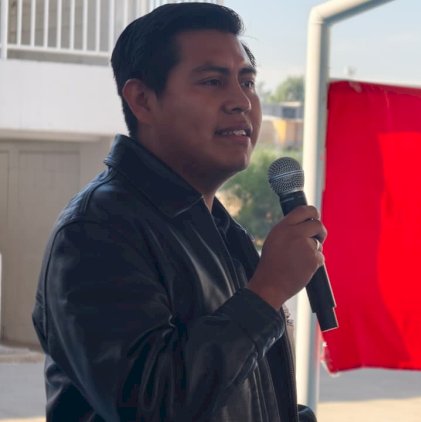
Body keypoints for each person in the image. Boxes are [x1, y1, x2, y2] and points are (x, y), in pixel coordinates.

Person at [31, 3, 323, 421]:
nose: (241, 101)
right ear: (143, 100)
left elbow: (238, 393)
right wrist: (268, 292)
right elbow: (152, 404)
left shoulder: (220, 228)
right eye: (212, 81)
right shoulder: (97, 230)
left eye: (247, 81)